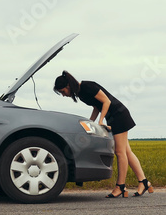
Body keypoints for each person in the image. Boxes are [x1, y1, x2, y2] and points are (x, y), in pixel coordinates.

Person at [53, 70, 153, 198]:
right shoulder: (80, 93)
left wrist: (100, 121)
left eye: (62, 91)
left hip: (119, 115)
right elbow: (96, 106)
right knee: (127, 152)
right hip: (114, 117)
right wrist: (91, 123)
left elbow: (106, 102)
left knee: (120, 152)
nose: (63, 95)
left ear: (68, 86)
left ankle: (120, 186)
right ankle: (144, 182)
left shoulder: (87, 86)